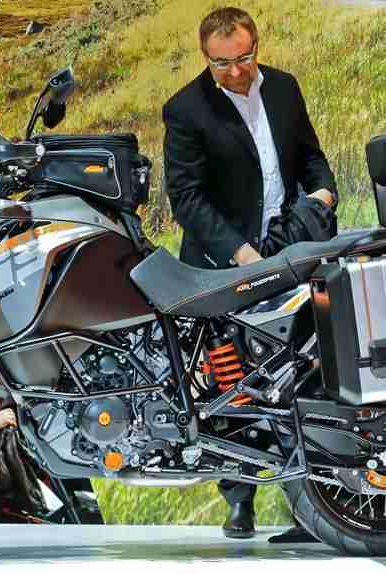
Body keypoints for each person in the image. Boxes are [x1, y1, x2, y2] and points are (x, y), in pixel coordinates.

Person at [162, 7, 337, 538]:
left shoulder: (283, 88)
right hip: (223, 264)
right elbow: (186, 198)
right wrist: (240, 253)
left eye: (243, 58)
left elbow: (309, 156)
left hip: (289, 250)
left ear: (256, 45)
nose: (235, 71)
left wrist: (324, 192)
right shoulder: (185, 109)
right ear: (205, 58)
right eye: (221, 64)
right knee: (230, 385)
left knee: (303, 374)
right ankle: (239, 500)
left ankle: (317, 503)